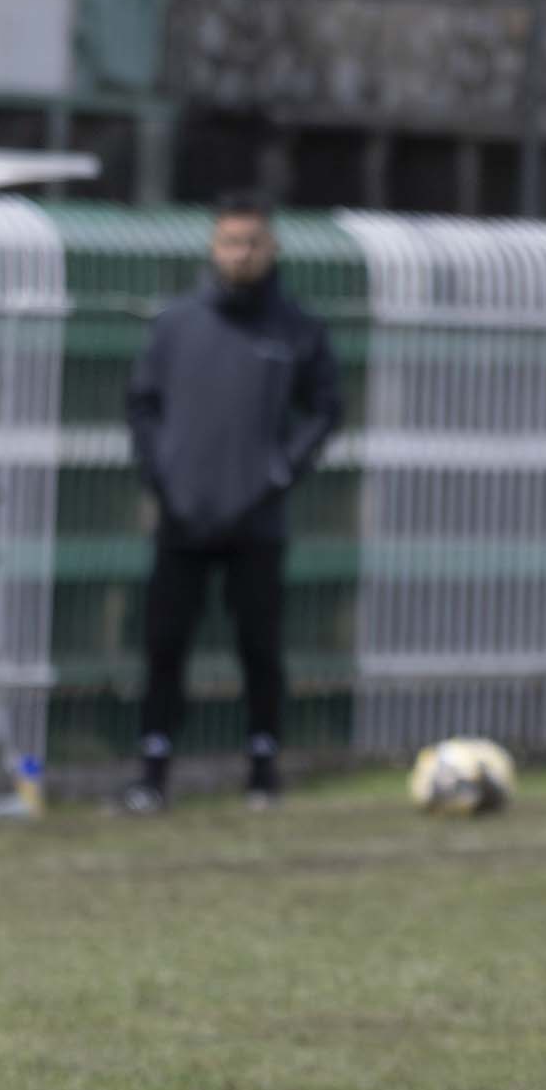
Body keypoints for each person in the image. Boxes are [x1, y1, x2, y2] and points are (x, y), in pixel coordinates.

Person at [123, 193, 340, 813]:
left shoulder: (297, 327)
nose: (241, 254)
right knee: (165, 645)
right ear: (213, 247)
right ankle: (153, 770)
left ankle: (264, 769)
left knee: (260, 647)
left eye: (253, 243)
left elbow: (325, 410)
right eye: (230, 242)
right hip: (183, 515)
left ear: (272, 249)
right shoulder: (175, 324)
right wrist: (162, 476)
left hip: (256, 519)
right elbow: (142, 407)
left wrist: (278, 470)